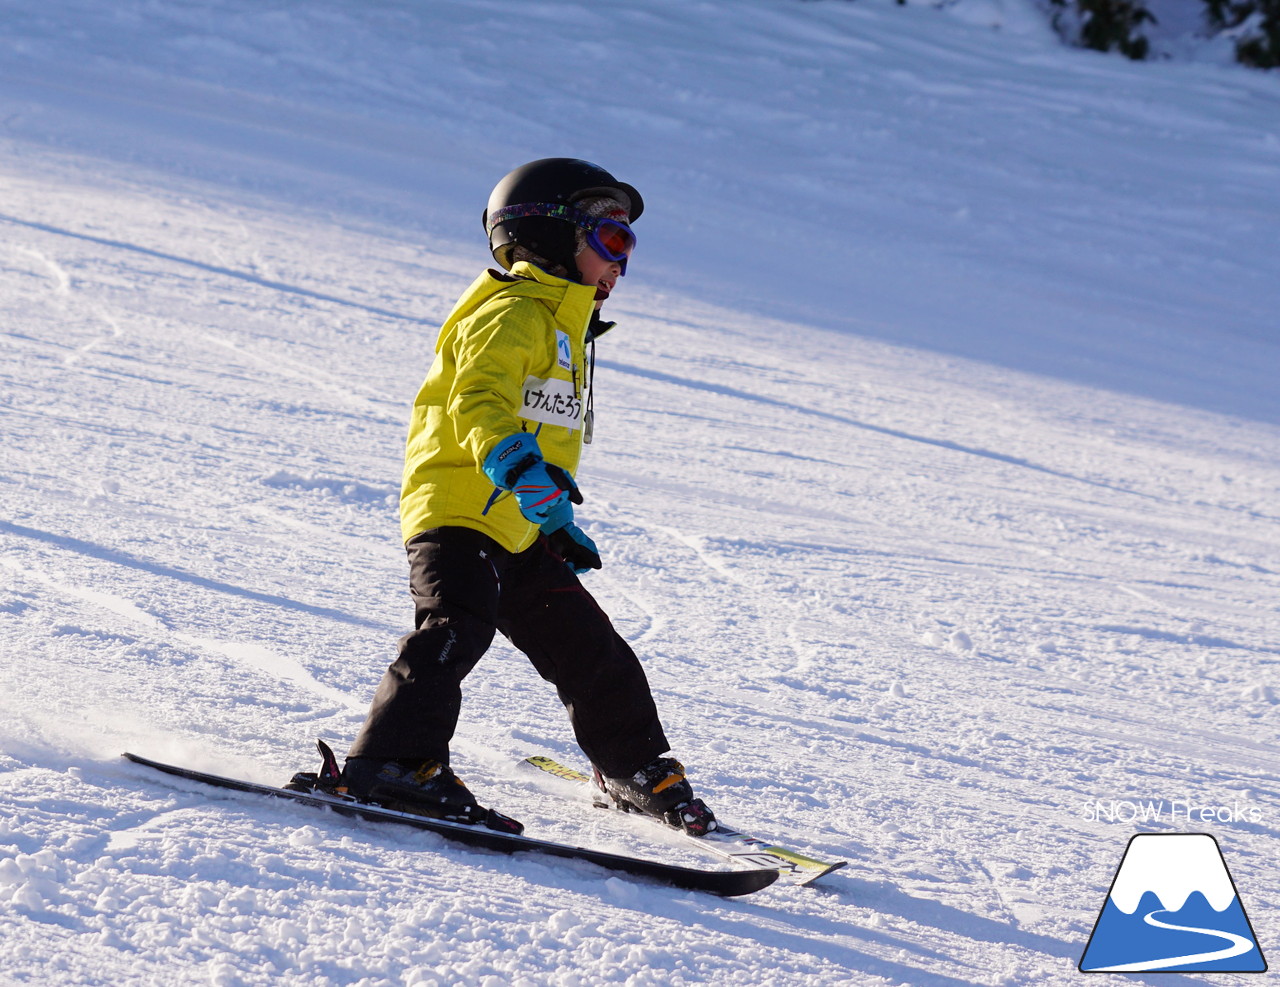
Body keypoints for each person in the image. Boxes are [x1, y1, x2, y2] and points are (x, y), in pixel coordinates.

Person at [339, 158, 716, 837]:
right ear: (548, 235)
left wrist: (554, 519)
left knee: (588, 645)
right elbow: (478, 402)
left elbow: (544, 434)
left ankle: (634, 764)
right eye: (612, 241)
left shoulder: (567, 331)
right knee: (457, 625)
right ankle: (394, 760)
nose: (621, 265)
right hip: (457, 512)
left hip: (516, 526)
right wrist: (518, 471)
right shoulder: (511, 312)